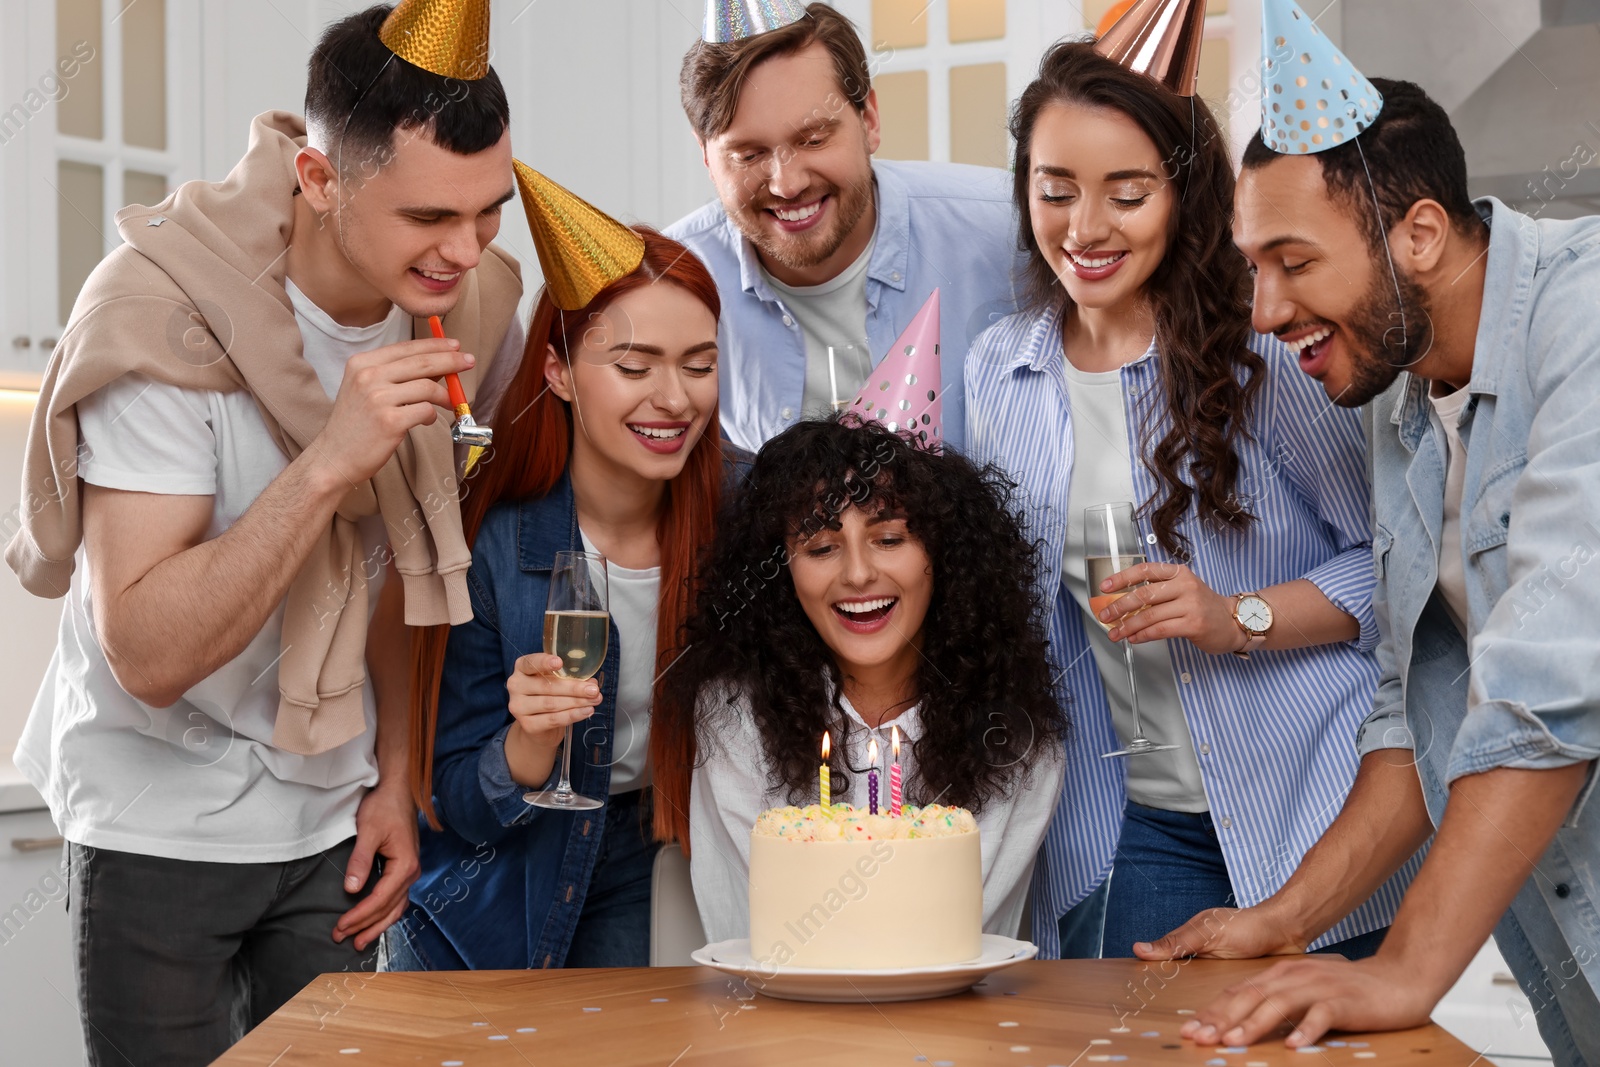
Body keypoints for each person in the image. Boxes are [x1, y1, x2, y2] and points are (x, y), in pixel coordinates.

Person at [4, 3, 524, 1062]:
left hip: (330, 818)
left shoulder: (463, 308)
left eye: (489, 212)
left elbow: (396, 560)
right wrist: (330, 457)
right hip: (157, 818)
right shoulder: (160, 317)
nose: (464, 251)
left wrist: (390, 773)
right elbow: (146, 650)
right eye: (429, 216)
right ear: (320, 181)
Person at [1137, 6, 1600, 1061]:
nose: (1260, 310)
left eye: (1291, 260)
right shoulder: (1401, 399)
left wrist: (1402, 967)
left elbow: (1547, 679)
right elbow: (1416, 701)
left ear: (1420, 235)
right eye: (1253, 267)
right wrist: (1285, 917)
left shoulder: (1586, 318)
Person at [963, 37, 1418, 962]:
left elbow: (1393, 565)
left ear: (1183, 197)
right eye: (1056, 191)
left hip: (1309, 802)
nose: (1086, 227)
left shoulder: (1265, 358)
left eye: (1127, 194)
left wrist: (1232, 613)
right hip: (1134, 817)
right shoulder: (998, 370)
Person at [384, 166, 737, 970]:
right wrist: (528, 742)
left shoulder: (745, 512)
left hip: (652, 858)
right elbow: (456, 801)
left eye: (697, 363)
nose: (674, 398)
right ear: (558, 371)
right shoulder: (490, 543)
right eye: (635, 364)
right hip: (491, 890)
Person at [671, 416, 1067, 942]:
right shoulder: (735, 715)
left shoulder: (1012, 733)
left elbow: (955, 933)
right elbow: (764, 930)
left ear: (942, 555)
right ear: (781, 571)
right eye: (819, 547)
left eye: (888, 538)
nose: (857, 574)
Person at [667, 1, 1023, 452]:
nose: (788, 183)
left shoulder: (1011, 227)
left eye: (814, 139)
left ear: (869, 120)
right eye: (748, 155)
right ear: (706, 156)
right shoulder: (667, 284)